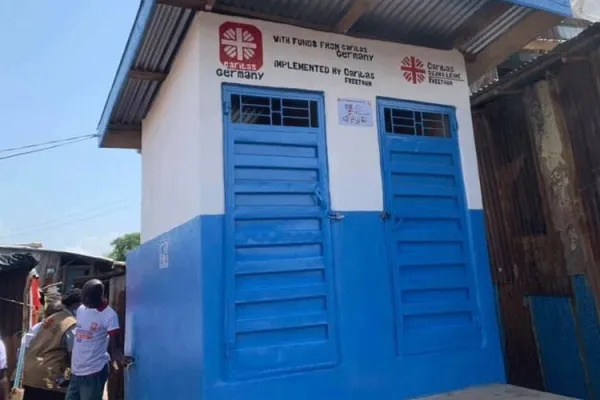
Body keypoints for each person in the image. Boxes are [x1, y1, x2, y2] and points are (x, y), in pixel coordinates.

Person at [66, 280, 124, 400]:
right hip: (76, 372)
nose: (85, 302)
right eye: (84, 298)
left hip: (93, 373)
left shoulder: (109, 316)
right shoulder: (82, 310)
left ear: (99, 297)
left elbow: (115, 344)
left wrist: (118, 358)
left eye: (88, 299)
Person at [21, 289, 82, 400]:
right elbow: (74, 355)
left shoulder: (51, 319)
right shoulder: (71, 323)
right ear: (78, 305)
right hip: (48, 378)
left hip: (30, 374)